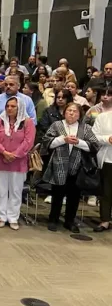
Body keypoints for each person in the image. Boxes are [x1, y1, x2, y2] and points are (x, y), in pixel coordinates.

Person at [41, 102, 100, 233]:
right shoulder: (57, 125)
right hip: (59, 165)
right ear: (64, 112)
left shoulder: (85, 128)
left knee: (74, 196)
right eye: (69, 111)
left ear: (80, 115)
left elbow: (94, 146)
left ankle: (70, 221)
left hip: (78, 167)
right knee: (57, 194)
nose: (72, 113)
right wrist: (63, 140)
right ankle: (53, 219)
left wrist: (79, 142)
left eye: (75, 111)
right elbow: (47, 143)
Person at [0, 97, 36, 229]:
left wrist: (14, 155)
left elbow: (28, 142)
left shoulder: (28, 122)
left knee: (16, 191)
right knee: (1, 190)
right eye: (7, 106)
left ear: (19, 107)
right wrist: (4, 152)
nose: (9, 108)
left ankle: (13, 217)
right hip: (0, 159)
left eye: (13, 106)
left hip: (18, 162)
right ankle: (1, 216)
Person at [92, 88, 112, 232]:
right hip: (107, 158)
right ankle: (105, 220)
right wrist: (108, 139)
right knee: (106, 191)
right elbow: (94, 137)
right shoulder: (103, 117)